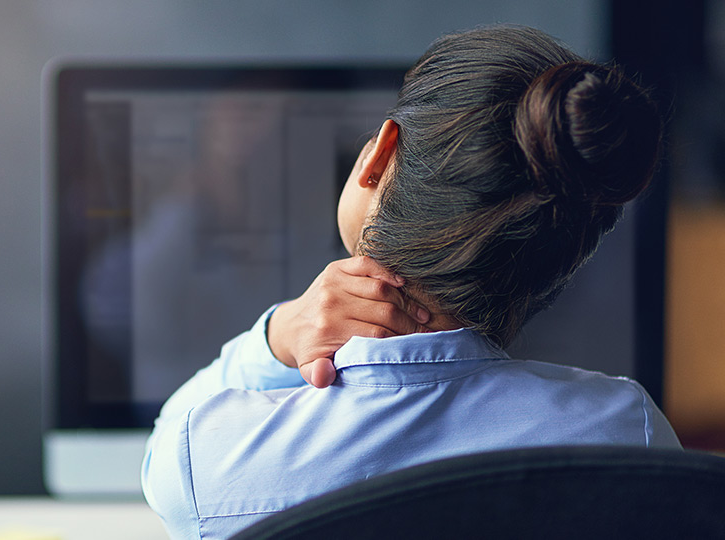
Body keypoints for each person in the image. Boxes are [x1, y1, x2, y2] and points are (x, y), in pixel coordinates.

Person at [141, 25, 681, 539]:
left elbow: (168, 435)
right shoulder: (628, 433)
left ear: (379, 156)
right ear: (566, 258)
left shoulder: (209, 460)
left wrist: (275, 338)